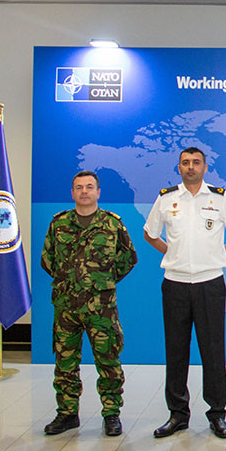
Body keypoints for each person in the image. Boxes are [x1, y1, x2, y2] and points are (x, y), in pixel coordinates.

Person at [144, 147, 226, 439]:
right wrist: (172, 253)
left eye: (196, 162)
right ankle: (177, 414)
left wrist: (218, 253)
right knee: (175, 351)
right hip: (175, 283)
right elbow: (150, 233)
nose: (190, 167)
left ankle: (217, 414)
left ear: (205, 167)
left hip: (210, 283)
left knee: (213, 351)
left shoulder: (219, 198)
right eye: (185, 163)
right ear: (179, 167)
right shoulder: (166, 199)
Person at [40, 170, 137, 437]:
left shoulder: (112, 224)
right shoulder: (58, 224)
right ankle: (67, 413)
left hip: (101, 307)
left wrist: (102, 281)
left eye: (89, 187)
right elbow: (47, 259)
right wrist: (70, 281)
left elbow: (128, 258)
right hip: (66, 306)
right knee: (65, 362)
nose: (84, 191)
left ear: (98, 192)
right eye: (79, 187)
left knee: (108, 360)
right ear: (72, 192)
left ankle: (111, 414)